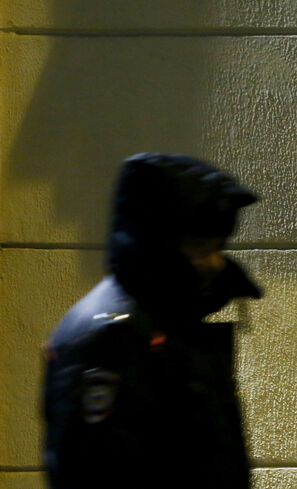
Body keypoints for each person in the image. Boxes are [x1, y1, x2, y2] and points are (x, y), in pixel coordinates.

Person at [41, 153, 261, 489]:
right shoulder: (113, 338)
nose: (215, 262)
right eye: (200, 246)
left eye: (218, 246)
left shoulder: (166, 321)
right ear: (155, 245)